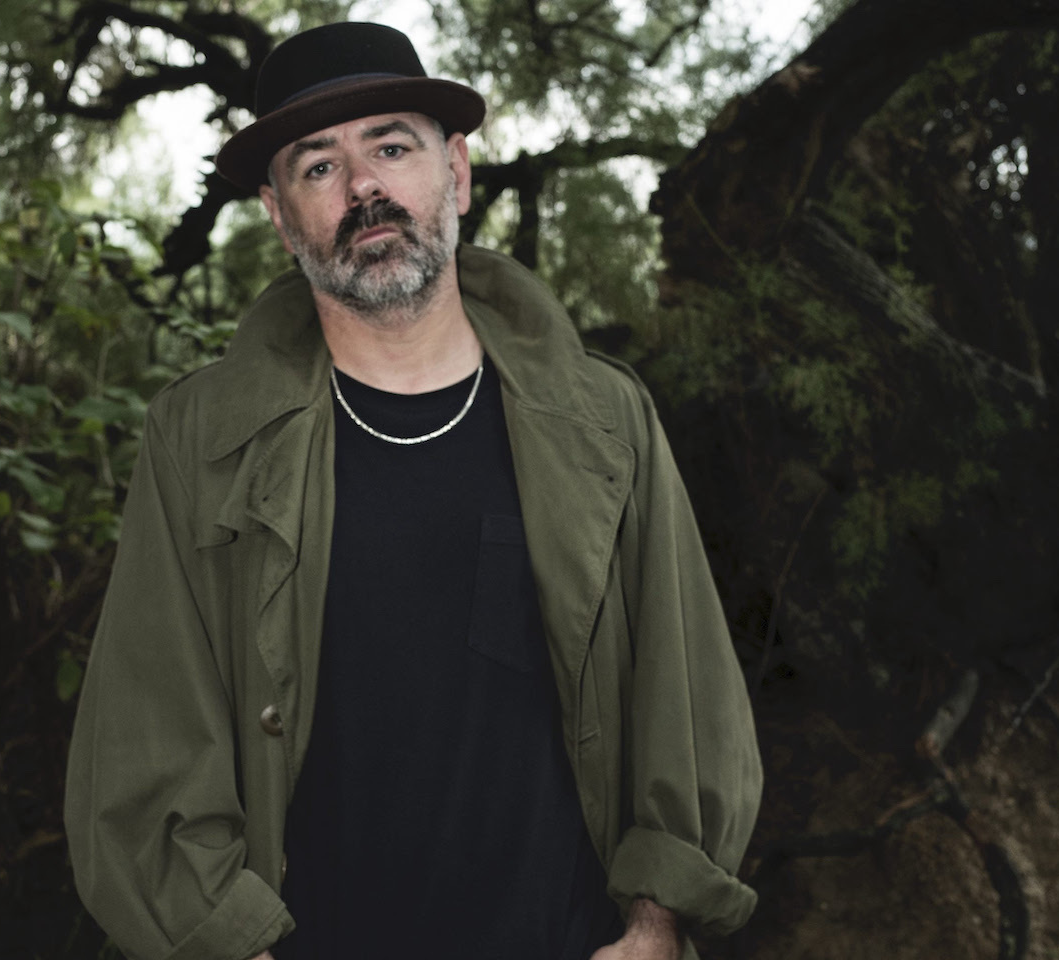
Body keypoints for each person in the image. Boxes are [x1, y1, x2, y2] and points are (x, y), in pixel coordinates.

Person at [65, 20, 762, 960]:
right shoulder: (201, 438)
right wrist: (226, 941)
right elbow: (144, 739)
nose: (362, 187)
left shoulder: (604, 418)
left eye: (391, 146)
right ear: (279, 216)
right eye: (317, 167)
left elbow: (689, 695)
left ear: (458, 172)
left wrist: (657, 921)